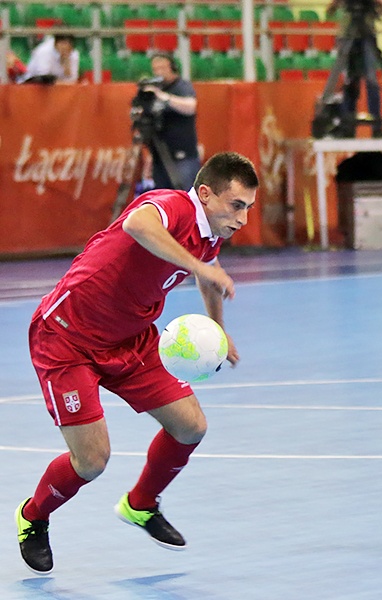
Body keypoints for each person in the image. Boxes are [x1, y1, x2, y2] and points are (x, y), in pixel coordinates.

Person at [15, 152, 259, 575]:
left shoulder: (211, 233)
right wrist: (200, 264)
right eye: (236, 205)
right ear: (204, 194)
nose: (242, 218)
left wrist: (218, 332)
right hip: (67, 337)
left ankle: (141, 504)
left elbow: (208, 275)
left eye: (249, 209)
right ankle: (33, 517)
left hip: (131, 337)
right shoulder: (171, 205)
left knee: (191, 426)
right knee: (91, 461)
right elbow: (136, 225)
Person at [139, 52, 201, 191]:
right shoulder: (154, 90)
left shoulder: (181, 86)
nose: (159, 72)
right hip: (159, 155)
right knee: (161, 197)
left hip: (182, 155)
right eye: (155, 69)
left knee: (184, 196)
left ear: (172, 67)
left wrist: (164, 98)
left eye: (162, 68)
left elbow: (191, 107)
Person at [326, 0, 382, 138]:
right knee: (349, 81)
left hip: (367, 35)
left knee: (371, 80)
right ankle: (347, 126)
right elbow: (330, 10)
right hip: (347, 35)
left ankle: (376, 126)